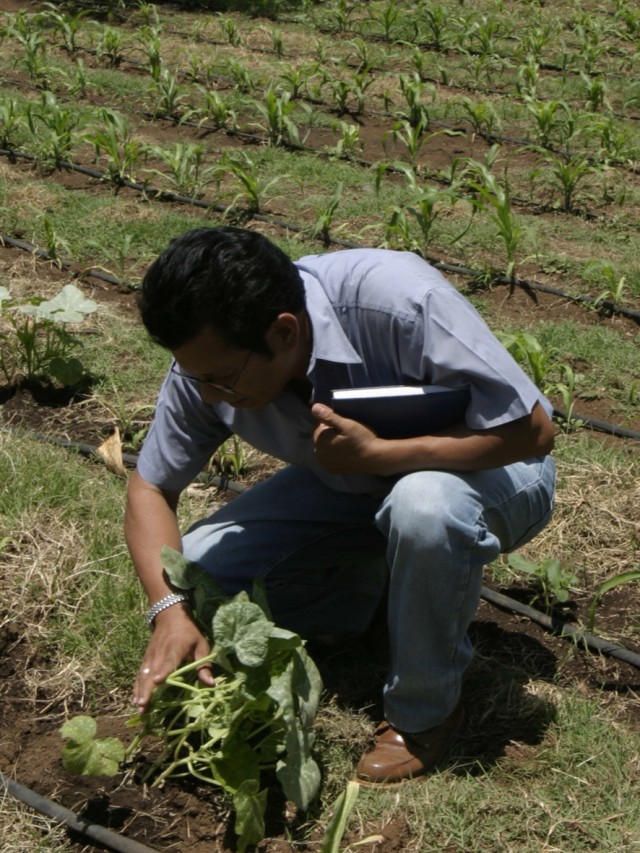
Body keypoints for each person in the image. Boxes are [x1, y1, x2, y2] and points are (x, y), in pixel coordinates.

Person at [125, 225, 556, 784]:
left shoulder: (398, 301)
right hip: (347, 486)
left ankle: (424, 713)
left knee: (423, 506)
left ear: (283, 333)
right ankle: (377, 597)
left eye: (222, 379)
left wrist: (381, 454)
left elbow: (533, 431)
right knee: (202, 578)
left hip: (489, 469)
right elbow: (150, 488)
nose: (207, 395)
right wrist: (168, 610)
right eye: (195, 376)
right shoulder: (209, 356)